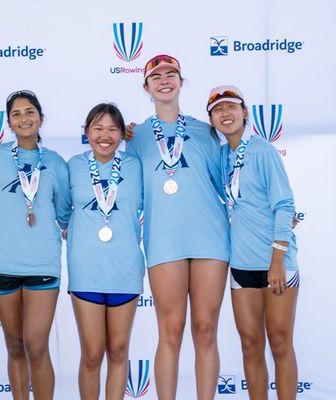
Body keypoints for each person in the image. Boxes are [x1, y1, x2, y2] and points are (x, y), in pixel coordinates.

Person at [124, 54, 230, 400]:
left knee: (205, 330)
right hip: (164, 242)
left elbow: (228, 186)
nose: (165, 80)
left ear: (182, 82)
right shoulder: (135, 135)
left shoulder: (206, 131)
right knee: (169, 331)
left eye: (171, 74)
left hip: (210, 241)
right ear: (146, 87)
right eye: (156, 76)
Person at [207, 85, 299, 400]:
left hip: (276, 263)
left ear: (245, 112)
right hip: (241, 265)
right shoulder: (221, 156)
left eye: (231, 107)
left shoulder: (262, 150)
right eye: (218, 110)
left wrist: (277, 260)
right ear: (212, 120)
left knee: (280, 342)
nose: (225, 114)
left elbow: (285, 206)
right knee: (250, 344)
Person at [0, 90, 71, 400]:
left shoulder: (57, 163)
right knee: (15, 345)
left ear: (41, 118)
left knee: (36, 345)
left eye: (30, 112)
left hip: (42, 265)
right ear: (9, 122)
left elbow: (64, 212)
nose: (24, 118)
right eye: (17, 114)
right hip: (3, 263)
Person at [66, 103, 145, 400]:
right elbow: (62, 209)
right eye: (98, 128)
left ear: (122, 134)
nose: (105, 135)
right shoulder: (72, 165)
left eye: (113, 129)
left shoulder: (134, 165)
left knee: (119, 351)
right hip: (86, 270)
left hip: (125, 269)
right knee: (92, 354)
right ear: (86, 132)